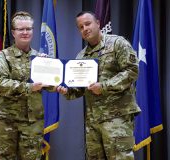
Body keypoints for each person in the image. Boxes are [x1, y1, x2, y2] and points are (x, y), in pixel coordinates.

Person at [57, 11, 141, 160]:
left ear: (98, 23)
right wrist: (65, 90)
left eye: (88, 24)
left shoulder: (117, 43)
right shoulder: (81, 56)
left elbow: (132, 71)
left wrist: (104, 86)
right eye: (80, 27)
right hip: (93, 121)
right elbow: (77, 90)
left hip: (117, 118)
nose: (85, 29)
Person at [0, 11, 47, 160]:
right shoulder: (4, 56)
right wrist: (29, 87)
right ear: (13, 33)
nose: (25, 32)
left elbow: (49, 84)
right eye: (21, 29)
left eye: (29, 29)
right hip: (6, 123)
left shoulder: (40, 58)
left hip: (32, 123)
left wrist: (61, 84)